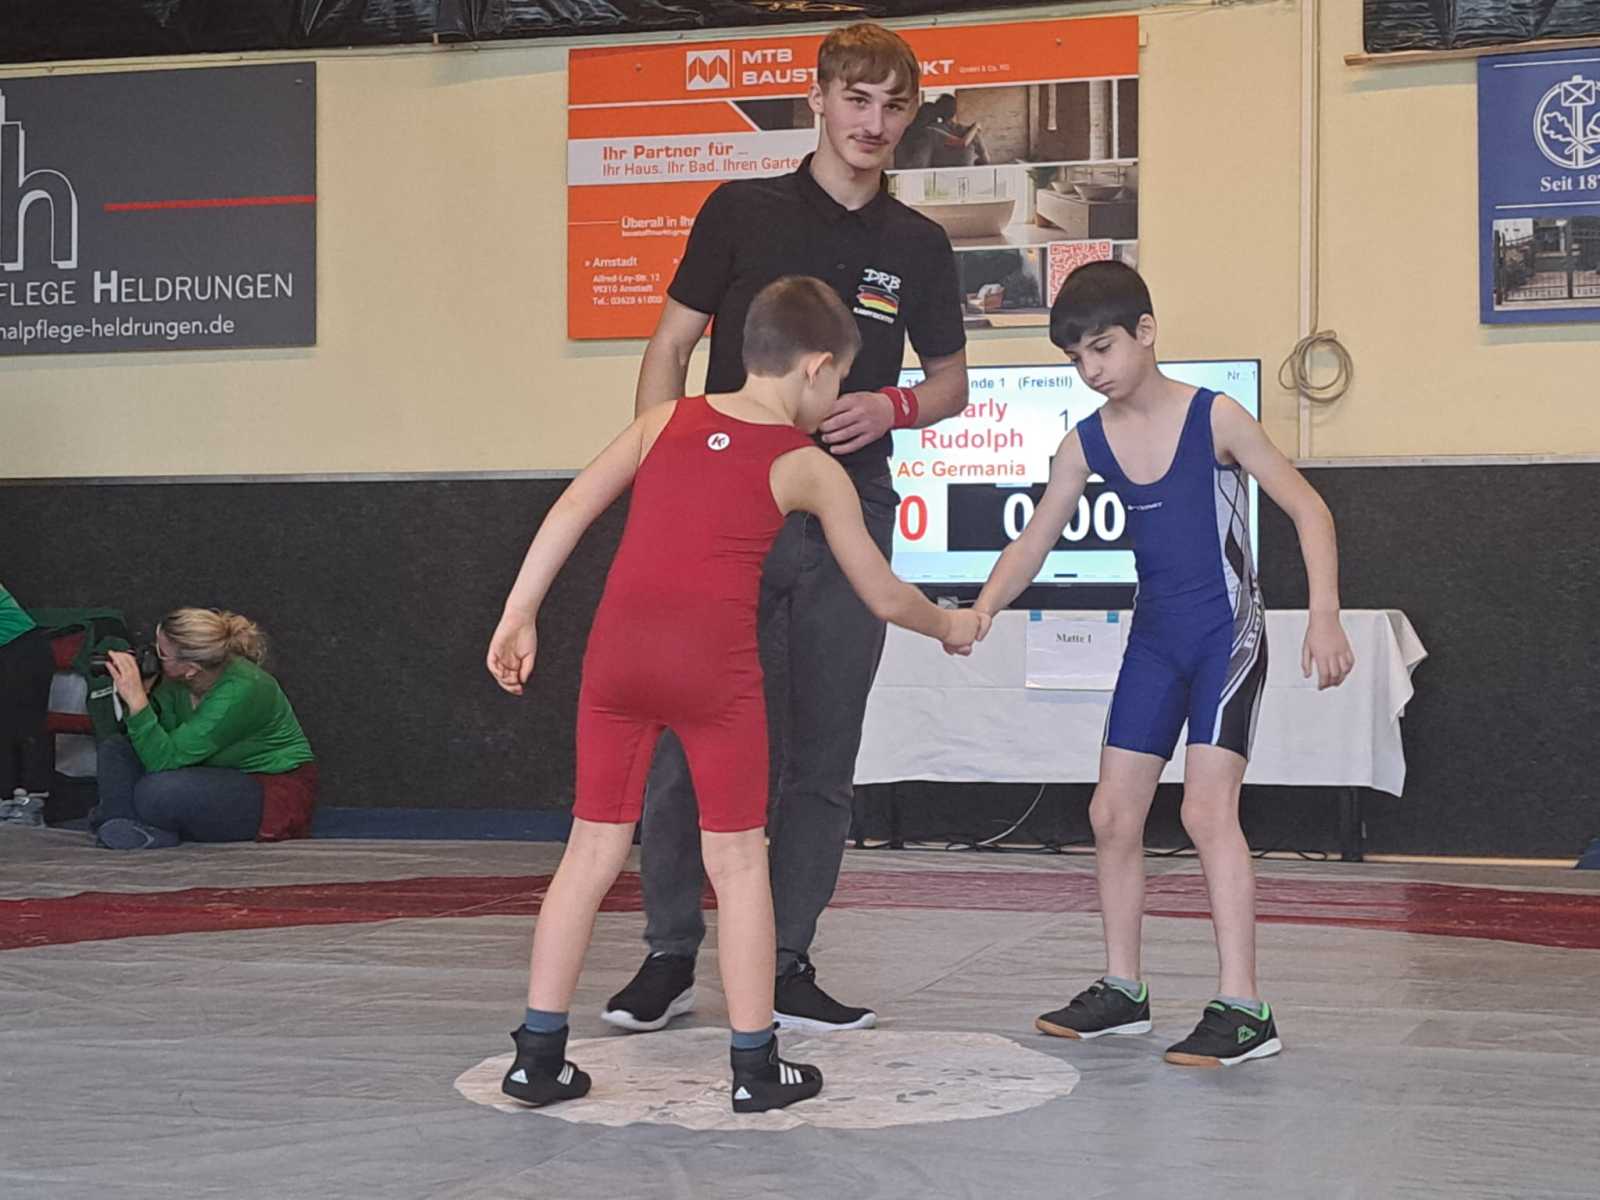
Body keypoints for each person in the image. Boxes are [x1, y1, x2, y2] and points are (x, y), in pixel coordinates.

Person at [486, 277, 987, 1112]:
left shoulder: (663, 421)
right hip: (711, 672)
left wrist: (519, 613)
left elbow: (572, 508)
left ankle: (538, 1057)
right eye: (838, 381)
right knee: (740, 861)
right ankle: (755, 1068)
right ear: (817, 368)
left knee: (590, 852)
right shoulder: (808, 466)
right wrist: (950, 625)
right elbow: (880, 592)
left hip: (617, 661)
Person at [613, 20, 970, 1037]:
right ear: (816, 100)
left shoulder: (918, 244)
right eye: (856, 99)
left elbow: (951, 384)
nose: (873, 123)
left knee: (822, 747)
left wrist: (893, 407)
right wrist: (665, 466)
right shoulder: (741, 209)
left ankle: (785, 958)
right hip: (729, 511)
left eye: (893, 106)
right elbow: (670, 344)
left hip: (850, 510)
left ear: (911, 116)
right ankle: (668, 953)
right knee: (693, 736)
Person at [972, 260, 1355, 1067]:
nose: (1091, 370)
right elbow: (1035, 539)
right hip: (1154, 639)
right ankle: (1124, 989)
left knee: (1207, 812)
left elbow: (1308, 508)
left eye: (1102, 348)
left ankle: (1245, 1008)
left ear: (1146, 333)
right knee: (1112, 814)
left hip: (1226, 635)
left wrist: (1324, 615)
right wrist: (980, 611)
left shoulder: (1216, 417)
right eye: (1075, 358)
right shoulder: (1086, 441)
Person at [95, 608, 318, 850]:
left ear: (191, 668)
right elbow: (154, 740)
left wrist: (138, 702)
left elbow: (163, 761)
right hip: (201, 768)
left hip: (265, 784)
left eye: (162, 653)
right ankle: (124, 824)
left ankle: (142, 823)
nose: (153, 655)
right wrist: (146, 694)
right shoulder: (176, 678)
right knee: (116, 748)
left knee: (157, 792)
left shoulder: (240, 691)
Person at [0, 581, 55, 825]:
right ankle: (5, 800)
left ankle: (33, 803)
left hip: (22, 649)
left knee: (25, 727)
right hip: (9, 650)